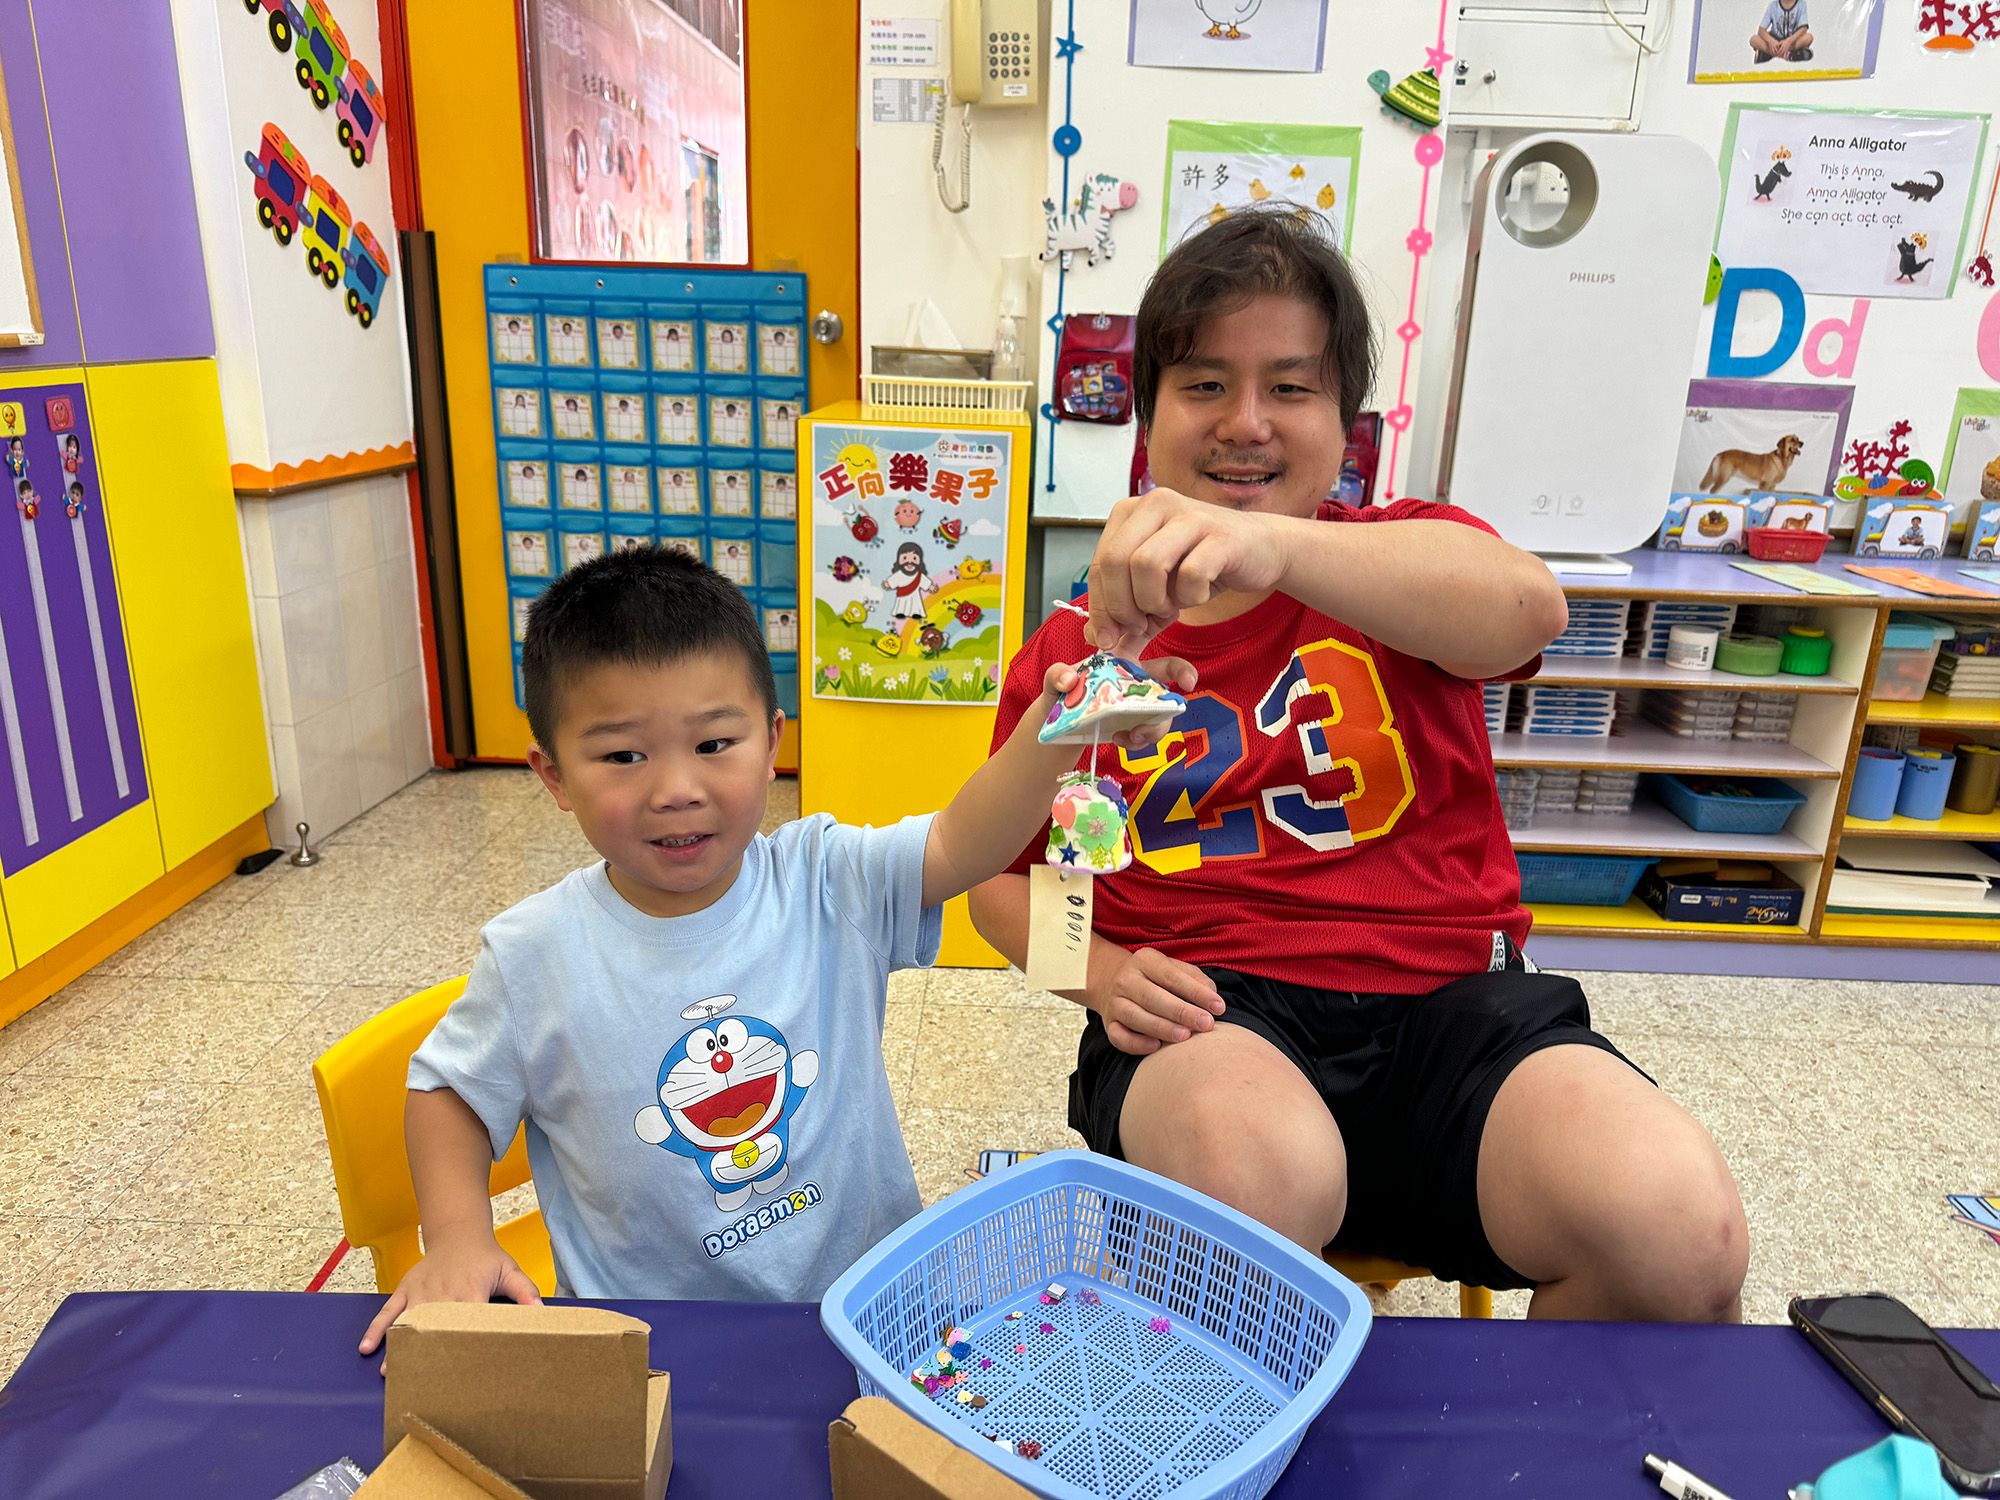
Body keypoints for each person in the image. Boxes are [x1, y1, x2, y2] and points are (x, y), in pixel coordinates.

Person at [968, 208, 1748, 1322]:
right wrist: (1094, 973)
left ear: (1346, 425)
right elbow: (1001, 879)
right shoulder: (1074, 651)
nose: (1245, 422)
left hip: (1456, 1016)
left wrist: (1274, 546)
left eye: (1289, 388)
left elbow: (1527, 608)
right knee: (1249, 1184)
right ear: (1147, 417)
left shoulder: (1402, 558)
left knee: (1676, 1228)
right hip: (1209, 1021)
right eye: (1203, 384)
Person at [359, 547, 1175, 1357]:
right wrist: (458, 1239)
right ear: (554, 775)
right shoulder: (534, 954)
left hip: (872, 1312)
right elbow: (449, 1091)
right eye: (623, 756)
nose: (677, 789)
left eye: (715, 744)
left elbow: (963, 843)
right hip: (647, 1346)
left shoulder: (826, 878)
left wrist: (1058, 728)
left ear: (773, 740)